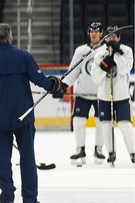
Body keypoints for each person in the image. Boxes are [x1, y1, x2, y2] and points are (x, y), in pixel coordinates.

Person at [0, 23, 63, 203]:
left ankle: (7, 199)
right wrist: (54, 83)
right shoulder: (24, 56)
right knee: (27, 158)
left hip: (0, 119)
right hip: (23, 117)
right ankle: (30, 201)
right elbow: (40, 80)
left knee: (2, 160)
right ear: (10, 37)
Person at [53, 22, 105, 165]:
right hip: (83, 93)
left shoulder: (106, 50)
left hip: (102, 94)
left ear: (101, 33)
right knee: (78, 120)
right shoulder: (81, 51)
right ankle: (80, 149)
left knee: (101, 122)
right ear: (89, 33)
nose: (94, 33)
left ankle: (99, 149)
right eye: (92, 31)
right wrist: (62, 86)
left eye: (97, 31)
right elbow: (73, 72)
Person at [91, 25, 135, 164]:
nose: (112, 38)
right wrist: (106, 64)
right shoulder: (99, 53)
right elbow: (96, 78)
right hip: (104, 96)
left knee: (125, 125)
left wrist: (116, 55)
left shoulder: (126, 50)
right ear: (105, 37)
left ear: (119, 37)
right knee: (105, 126)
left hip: (121, 96)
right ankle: (111, 152)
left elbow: (124, 69)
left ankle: (133, 152)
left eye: (115, 35)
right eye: (109, 35)